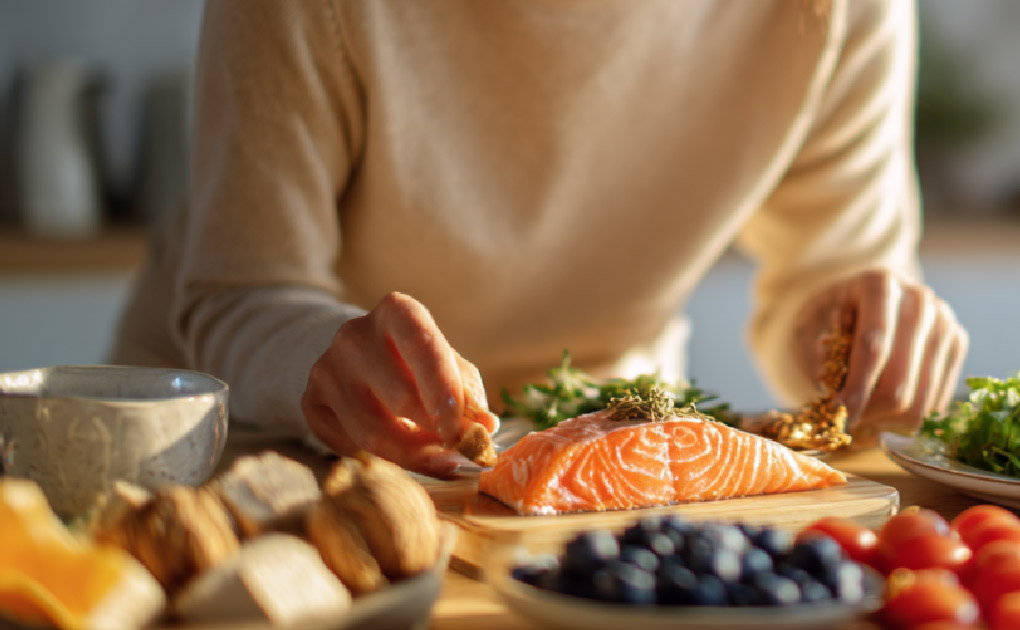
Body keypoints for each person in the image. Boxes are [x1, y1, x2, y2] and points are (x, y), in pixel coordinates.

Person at [111, 0, 968, 478]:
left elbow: (824, 289)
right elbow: (242, 290)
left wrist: (854, 344)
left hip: (603, 451)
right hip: (272, 436)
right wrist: (316, 360)